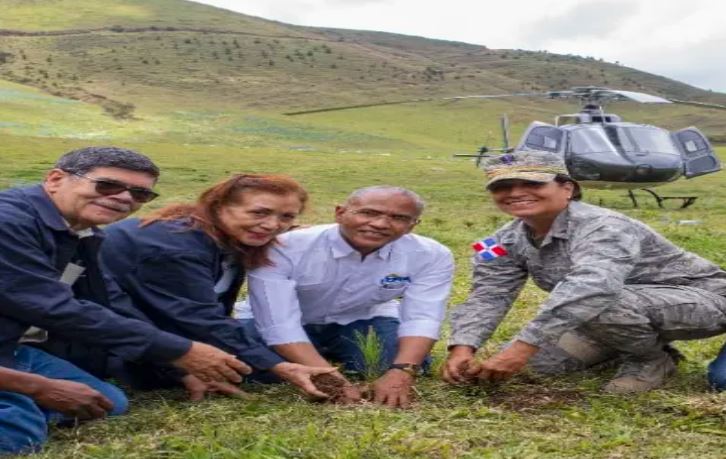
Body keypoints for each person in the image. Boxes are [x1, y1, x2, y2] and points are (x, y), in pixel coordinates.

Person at [0, 147, 250, 455]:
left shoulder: (79, 233)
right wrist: (38, 387)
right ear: (55, 179)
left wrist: (179, 367)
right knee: (18, 434)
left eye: (140, 194)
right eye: (107, 185)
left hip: (11, 348)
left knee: (105, 402)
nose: (124, 198)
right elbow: (55, 308)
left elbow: (108, 303)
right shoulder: (8, 222)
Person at [443, 151, 726, 393]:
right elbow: (487, 295)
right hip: (610, 316)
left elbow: (594, 288)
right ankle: (619, 345)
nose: (515, 193)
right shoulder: (494, 243)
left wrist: (522, 346)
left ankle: (650, 360)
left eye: (531, 182)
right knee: (538, 366)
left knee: (601, 300)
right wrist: (463, 346)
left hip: (704, 301)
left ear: (567, 188)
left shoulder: (604, 225)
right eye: (502, 187)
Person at [100, 174, 336, 399]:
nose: (272, 225)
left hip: (157, 328)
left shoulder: (226, 239)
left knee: (279, 352)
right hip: (108, 338)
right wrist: (278, 367)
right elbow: (197, 318)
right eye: (259, 212)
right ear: (219, 206)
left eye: (286, 217)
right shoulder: (174, 245)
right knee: (257, 369)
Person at [246, 186, 455, 407]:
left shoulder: (431, 255)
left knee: (395, 362)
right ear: (340, 213)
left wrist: (403, 370)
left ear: (413, 225)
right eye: (368, 213)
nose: (380, 224)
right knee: (248, 366)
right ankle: (318, 357)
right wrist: (331, 378)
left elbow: (423, 317)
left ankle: (323, 353)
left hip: (362, 319)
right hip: (287, 321)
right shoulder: (285, 247)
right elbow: (278, 323)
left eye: (399, 218)